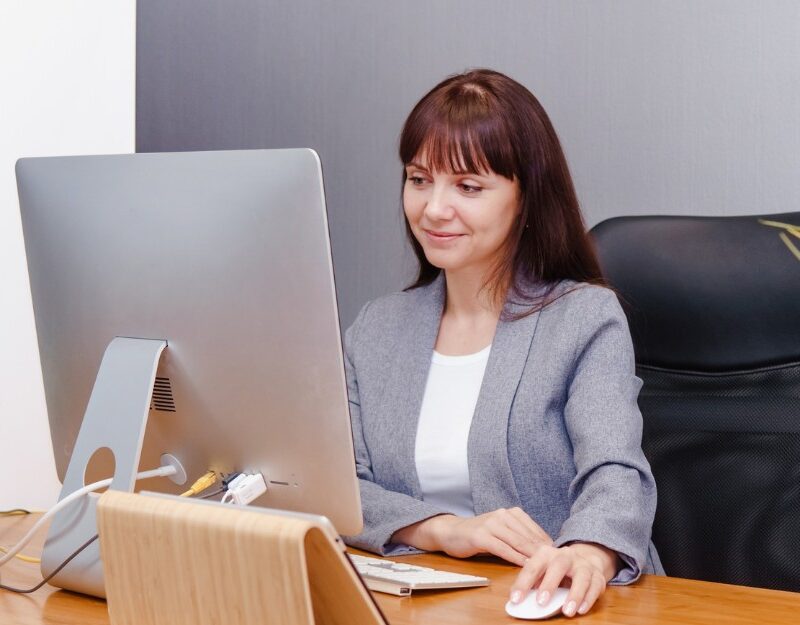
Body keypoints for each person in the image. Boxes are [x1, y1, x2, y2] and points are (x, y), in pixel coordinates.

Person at [342, 68, 663, 618]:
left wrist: (590, 549)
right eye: (419, 179)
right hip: (422, 604)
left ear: (526, 200)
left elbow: (617, 472)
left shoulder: (583, 319)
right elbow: (339, 487)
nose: (434, 208)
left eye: (468, 187)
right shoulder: (376, 329)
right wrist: (446, 531)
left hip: (563, 605)